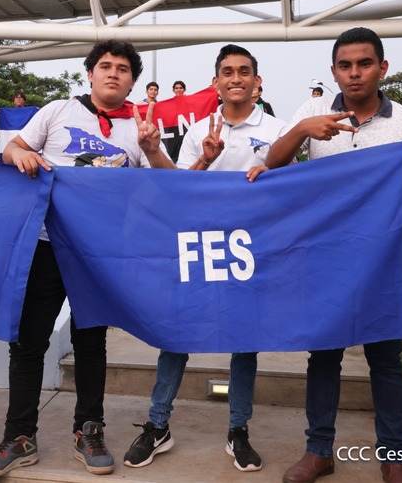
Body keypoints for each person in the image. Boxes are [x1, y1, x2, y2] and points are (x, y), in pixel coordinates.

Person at [0, 40, 175, 479]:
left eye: (123, 68)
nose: (113, 73)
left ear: (132, 81)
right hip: (46, 245)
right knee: (28, 342)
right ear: (90, 73)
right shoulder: (57, 110)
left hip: (98, 253)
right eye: (105, 65)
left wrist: (153, 149)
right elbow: (11, 150)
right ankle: (19, 437)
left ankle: (89, 430)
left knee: (90, 343)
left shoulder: (140, 127)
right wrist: (22, 154)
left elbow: (170, 186)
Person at [261, 27, 402, 483]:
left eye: (364, 64)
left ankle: (393, 458)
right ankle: (318, 451)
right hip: (324, 257)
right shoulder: (313, 112)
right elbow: (272, 164)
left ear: (383, 68)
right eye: (345, 65)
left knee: (386, 358)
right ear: (334, 71)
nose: (354, 73)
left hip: (383, 258)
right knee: (324, 355)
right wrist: (303, 130)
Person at [123, 44, 286, 473]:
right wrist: (203, 159)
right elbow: (177, 189)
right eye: (227, 72)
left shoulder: (278, 129)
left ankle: (238, 430)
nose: (236, 78)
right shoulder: (198, 131)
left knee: (244, 342)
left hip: (250, 250)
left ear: (257, 80)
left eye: (244, 71)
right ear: (216, 81)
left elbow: (290, 189)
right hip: (198, 246)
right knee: (176, 336)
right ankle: (158, 425)